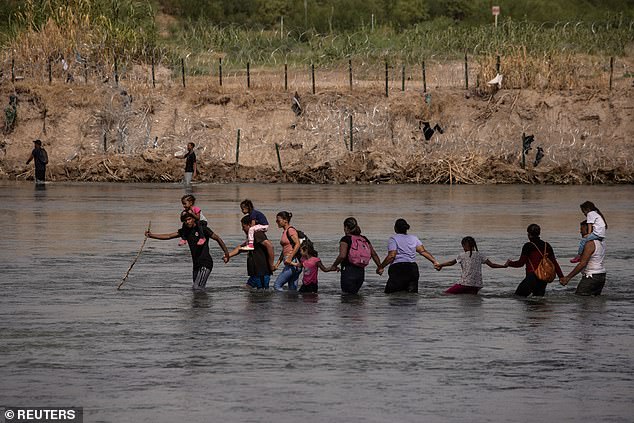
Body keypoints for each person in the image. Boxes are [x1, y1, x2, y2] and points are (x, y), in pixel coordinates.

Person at [145, 212, 229, 292]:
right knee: (198, 288)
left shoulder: (203, 229)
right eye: (185, 220)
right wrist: (152, 235)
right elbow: (169, 236)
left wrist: (226, 253)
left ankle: (202, 306)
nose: (187, 222)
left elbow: (217, 238)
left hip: (205, 263)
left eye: (189, 219)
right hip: (196, 264)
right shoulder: (185, 231)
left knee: (197, 288)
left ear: (194, 219)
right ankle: (199, 306)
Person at [376, 218, 439, 294]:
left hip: (398, 269)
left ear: (395, 228)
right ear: (406, 228)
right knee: (411, 296)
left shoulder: (393, 239)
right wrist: (434, 261)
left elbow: (392, 255)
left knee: (391, 294)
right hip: (412, 269)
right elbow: (422, 251)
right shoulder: (414, 238)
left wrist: (381, 267)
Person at [506, 223, 564, 297]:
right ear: (539, 233)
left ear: (529, 234)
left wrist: (509, 263)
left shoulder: (528, 246)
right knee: (538, 303)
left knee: (517, 297)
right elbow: (554, 263)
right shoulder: (547, 245)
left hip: (532, 277)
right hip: (543, 279)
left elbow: (520, 263)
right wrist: (561, 277)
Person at [435, 236, 507, 295]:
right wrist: (504, 266)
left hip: (464, 284)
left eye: (463, 246)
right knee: (471, 300)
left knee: (444, 294)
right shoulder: (480, 255)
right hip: (477, 285)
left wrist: (440, 265)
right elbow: (492, 265)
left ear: (464, 245)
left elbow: (451, 263)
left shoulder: (462, 255)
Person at [329, 217, 381, 295]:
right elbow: (373, 254)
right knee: (356, 298)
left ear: (346, 227)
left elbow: (342, 256)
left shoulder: (345, 239)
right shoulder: (364, 239)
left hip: (348, 271)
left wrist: (334, 265)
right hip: (361, 273)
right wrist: (380, 267)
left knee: (347, 298)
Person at [228, 216, 276, 289]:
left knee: (262, 294)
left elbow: (270, 246)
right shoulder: (251, 237)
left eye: (243, 227)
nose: (242, 229)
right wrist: (228, 255)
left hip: (261, 272)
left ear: (250, 225)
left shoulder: (257, 234)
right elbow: (240, 248)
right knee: (250, 291)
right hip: (256, 272)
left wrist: (271, 264)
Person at [560, 221, 607, 295]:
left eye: (582, 230)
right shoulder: (601, 242)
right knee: (594, 301)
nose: (580, 232)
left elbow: (582, 263)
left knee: (580, 298)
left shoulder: (590, 243)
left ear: (590, 230)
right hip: (601, 275)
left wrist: (568, 278)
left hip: (591, 276)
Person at [272, 211, 302, 291]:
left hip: (292, 263)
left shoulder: (290, 230)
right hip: (293, 263)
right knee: (292, 290)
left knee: (277, 286)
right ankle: (292, 303)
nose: (277, 222)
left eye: (278, 220)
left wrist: (290, 257)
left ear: (285, 220)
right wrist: (277, 264)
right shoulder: (285, 232)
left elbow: (297, 244)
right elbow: (284, 250)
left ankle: (282, 303)